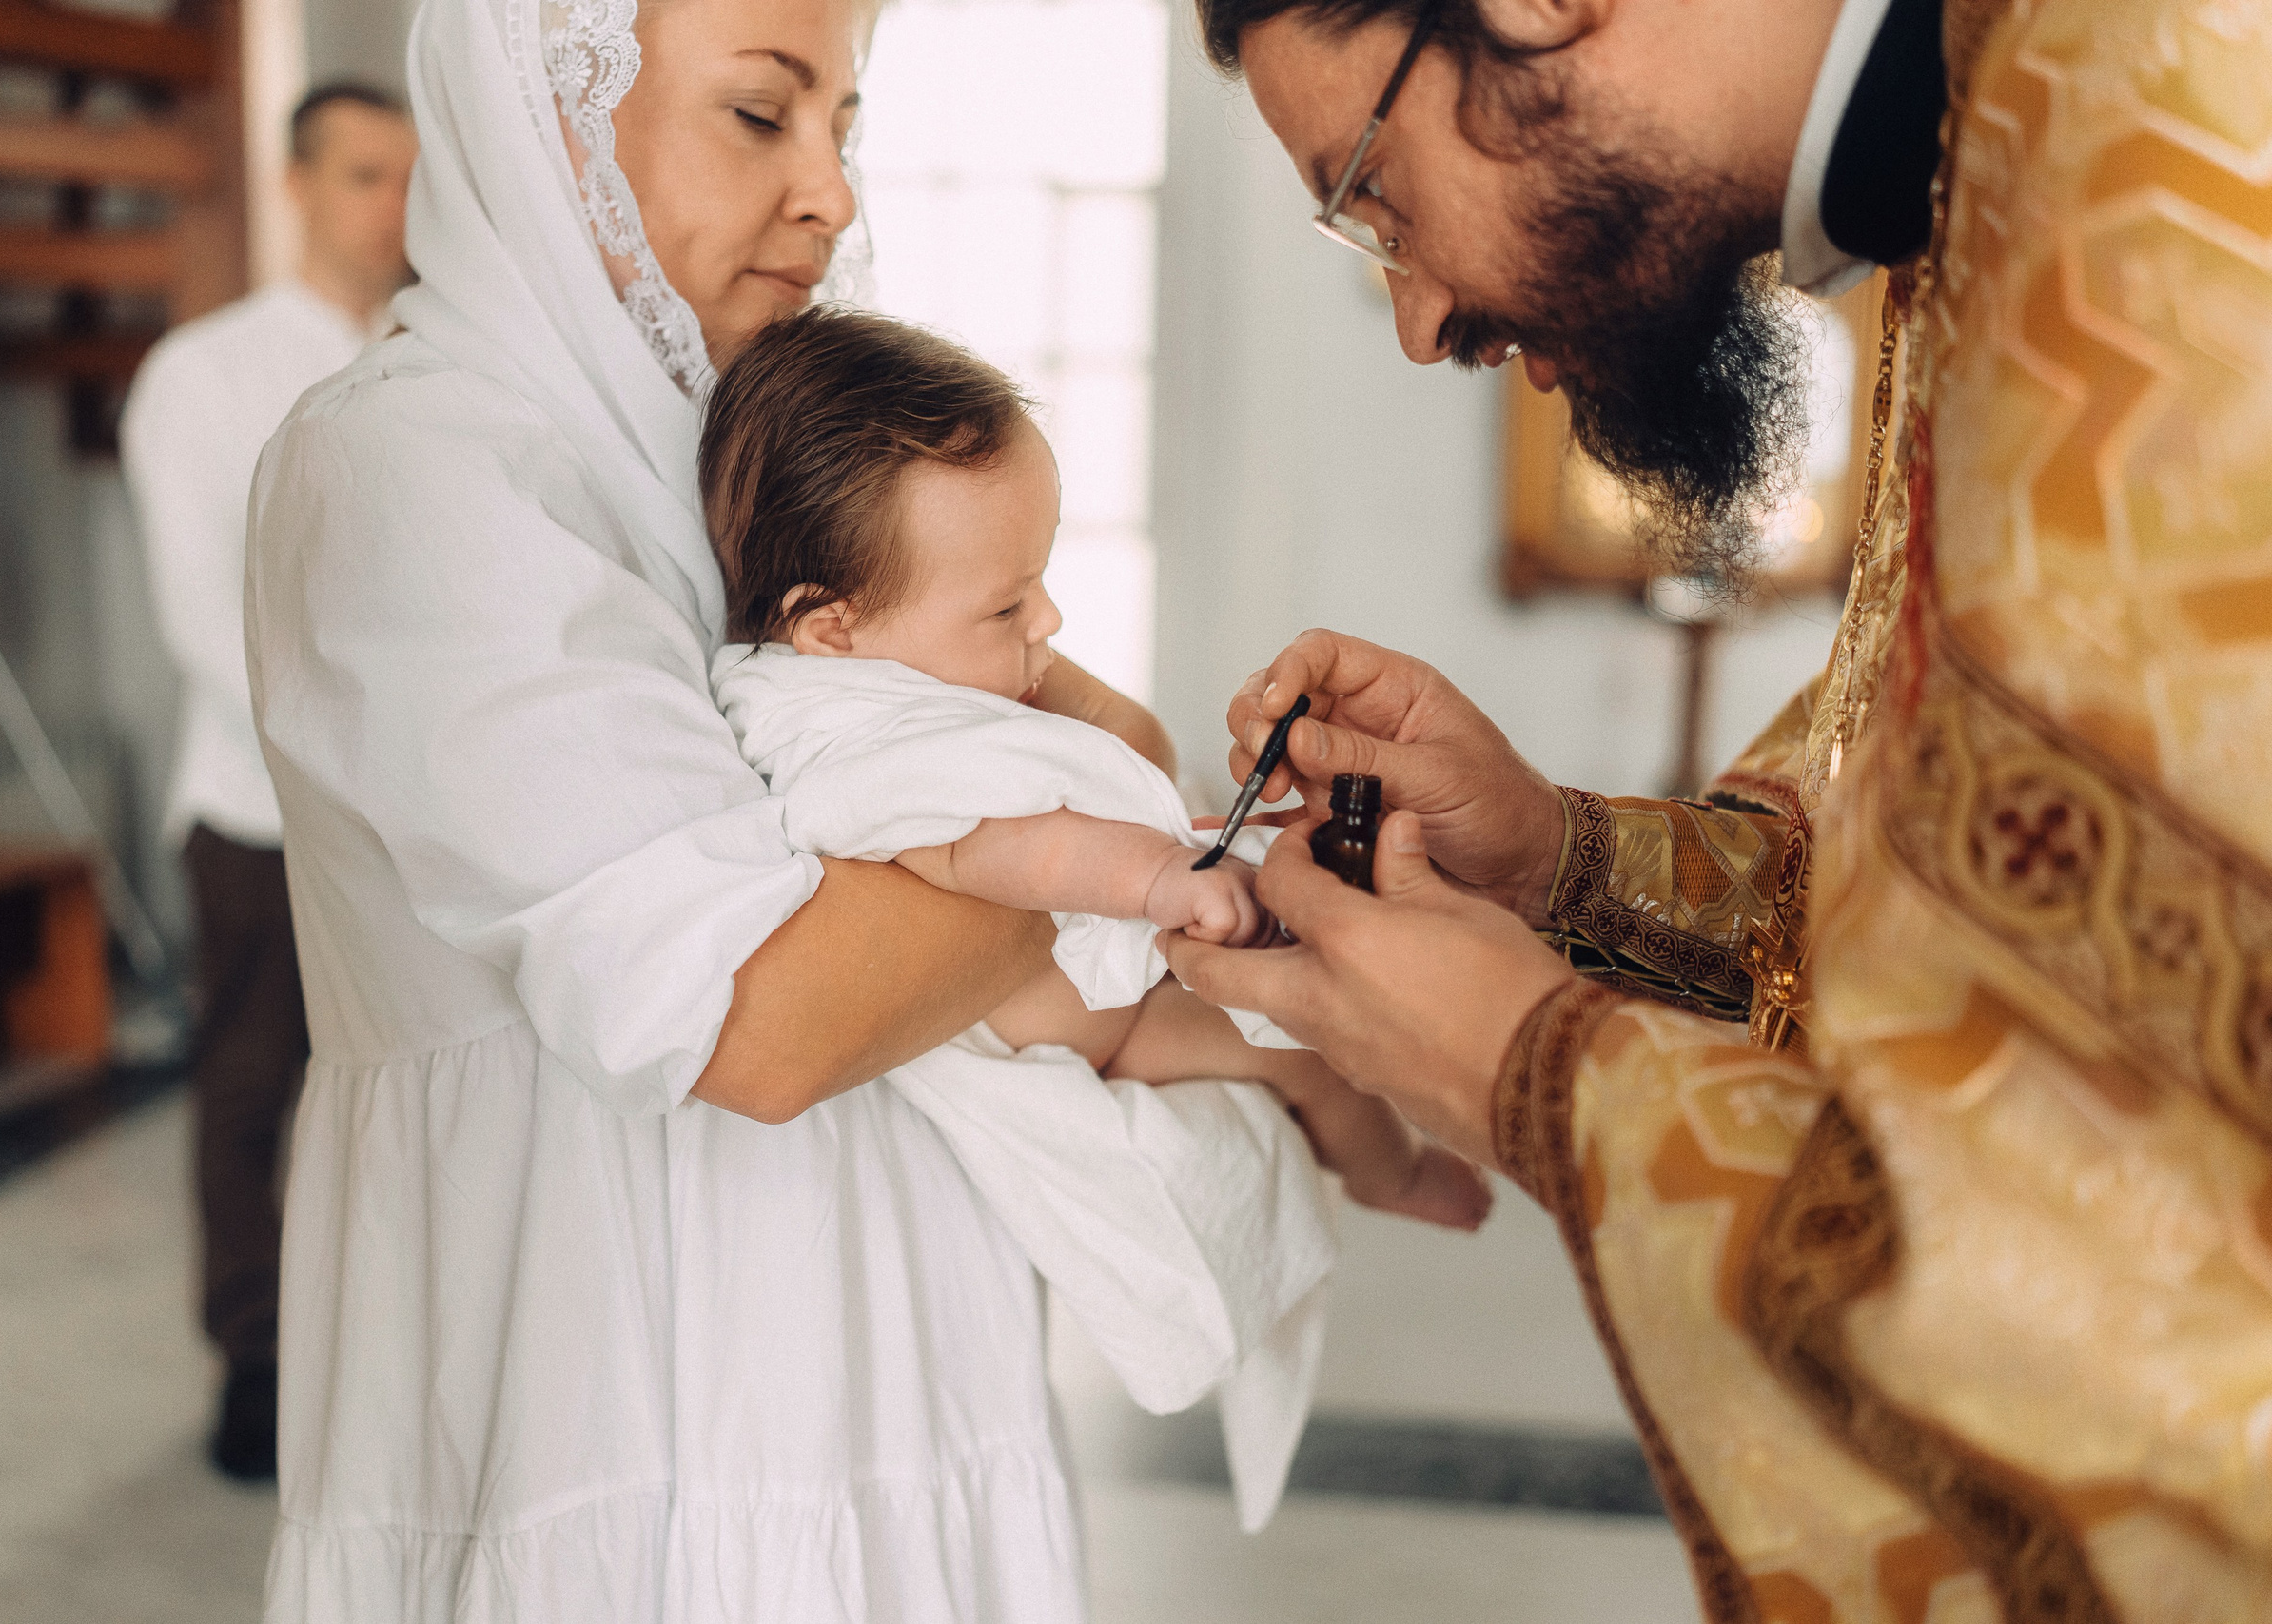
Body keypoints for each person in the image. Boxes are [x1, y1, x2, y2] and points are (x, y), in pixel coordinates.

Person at [242, 0, 1370, 1615]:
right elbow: (756, 1015)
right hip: (612, 1371)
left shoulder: (729, 442)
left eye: (845, 122)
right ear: (551, 121)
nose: (832, 191)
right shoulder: (420, 466)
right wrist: (1089, 808)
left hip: (876, 1331)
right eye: (762, 116)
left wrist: (1067, 769)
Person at [1165, 0, 2272, 1616]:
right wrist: (1556, 852)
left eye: (1376, 195)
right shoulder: (1994, 147)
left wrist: (1532, 1071)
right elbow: (1966, 894)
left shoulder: (2168, 90)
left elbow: (2144, 1337)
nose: (1416, 320)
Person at [705, 303, 1488, 1234]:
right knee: (1305, 1060)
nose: (1047, 622)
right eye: (1004, 608)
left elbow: (1103, 760)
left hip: (1093, 967)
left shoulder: (872, 664)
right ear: (831, 625)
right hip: (1089, 1026)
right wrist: (1158, 875)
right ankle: (1389, 1174)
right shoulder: (862, 736)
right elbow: (1005, 849)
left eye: (1039, 579)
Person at [121, 80, 416, 1481]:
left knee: (408, 1086)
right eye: (364, 174)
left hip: (421, 807)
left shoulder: (436, 358)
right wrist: (349, 752)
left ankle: (390, 1357)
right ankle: (255, 1359)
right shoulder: (204, 373)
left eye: (410, 174)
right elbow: (199, 607)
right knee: (251, 1084)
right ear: (297, 184)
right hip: (259, 801)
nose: (393, 203)